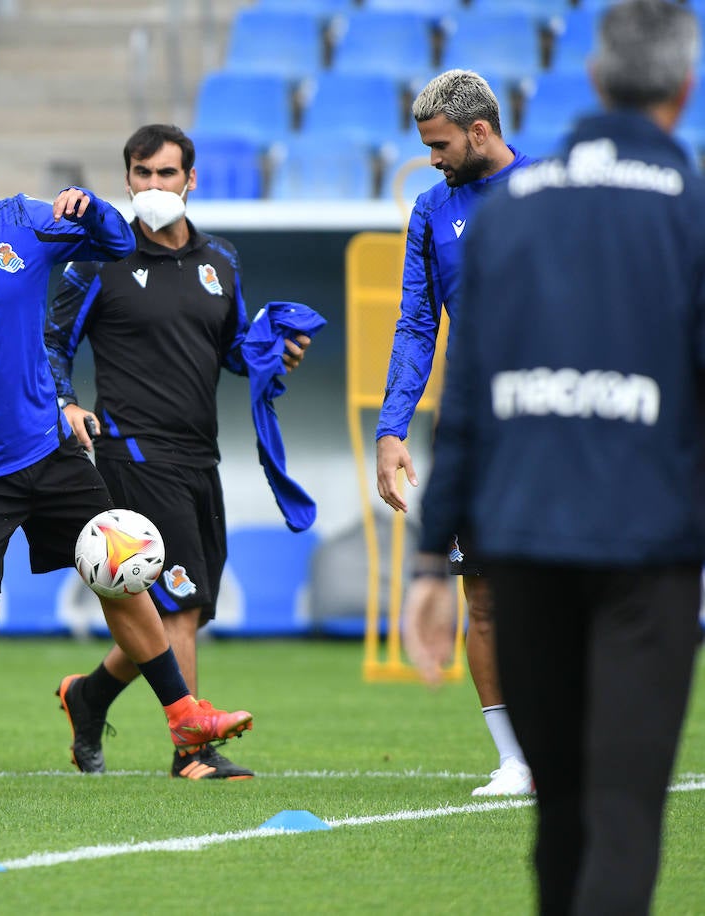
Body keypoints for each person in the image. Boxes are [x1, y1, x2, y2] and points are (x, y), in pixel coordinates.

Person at [403, 2, 705, 910]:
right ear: (682, 90)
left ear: (598, 81)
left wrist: (428, 554)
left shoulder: (513, 211)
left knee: (560, 815)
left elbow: (467, 395)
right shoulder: (690, 211)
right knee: (622, 812)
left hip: (525, 532)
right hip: (645, 546)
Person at [0, 121, 252, 797]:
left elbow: (119, 244)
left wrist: (92, 208)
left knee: (122, 573)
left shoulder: (25, 222)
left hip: (50, 450)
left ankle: (185, 717)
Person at [45, 124, 313, 780]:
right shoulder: (98, 260)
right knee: (181, 605)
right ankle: (191, 754)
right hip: (131, 455)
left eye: (167, 174)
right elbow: (49, 341)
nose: (155, 186)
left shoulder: (221, 261)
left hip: (201, 456)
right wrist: (67, 403)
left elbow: (229, 351)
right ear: (128, 179)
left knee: (170, 615)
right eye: (142, 174)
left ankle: (88, 696)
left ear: (190, 180)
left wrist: (271, 356)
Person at [374, 69, 535, 797]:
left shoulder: (551, 195)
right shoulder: (431, 211)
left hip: (560, 425)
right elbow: (415, 325)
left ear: (479, 131)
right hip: (479, 432)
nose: (432, 158)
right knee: (485, 598)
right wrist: (392, 428)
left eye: (439, 145)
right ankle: (515, 759)